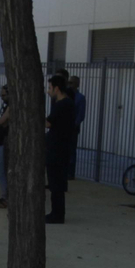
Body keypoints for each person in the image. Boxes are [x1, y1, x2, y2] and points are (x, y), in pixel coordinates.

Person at [44, 75, 76, 223]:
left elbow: (49, 123)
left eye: (50, 88)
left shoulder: (62, 105)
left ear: (56, 89)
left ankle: (57, 214)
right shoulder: (67, 104)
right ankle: (56, 212)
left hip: (58, 148)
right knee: (56, 182)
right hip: (60, 147)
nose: (48, 91)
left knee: (56, 182)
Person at [67, 74, 86, 179]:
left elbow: (81, 115)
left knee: (71, 150)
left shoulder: (80, 98)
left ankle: (71, 173)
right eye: (69, 82)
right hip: (64, 127)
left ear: (77, 84)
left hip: (73, 128)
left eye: (71, 83)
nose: (69, 85)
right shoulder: (66, 95)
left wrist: (74, 125)